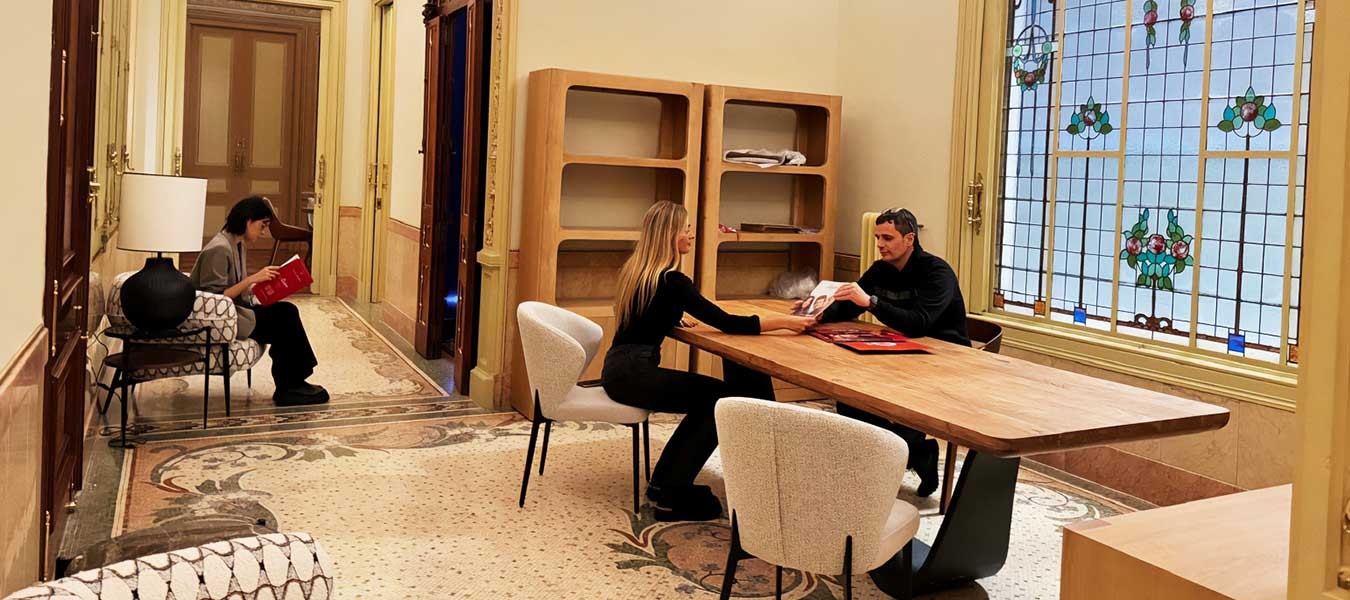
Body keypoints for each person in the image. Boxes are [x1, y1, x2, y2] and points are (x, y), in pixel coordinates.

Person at [602, 201, 816, 521]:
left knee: (711, 400)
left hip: (619, 369)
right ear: (670, 235)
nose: (691, 234)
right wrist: (786, 322)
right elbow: (728, 323)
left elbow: (649, 313)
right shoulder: (673, 281)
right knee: (720, 401)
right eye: (685, 229)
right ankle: (672, 496)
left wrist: (673, 317)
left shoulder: (638, 272)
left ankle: (664, 484)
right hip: (636, 373)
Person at [816, 207, 969, 497]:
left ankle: (909, 450)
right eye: (877, 237)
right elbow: (849, 306)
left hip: (944, 357)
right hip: (901, 350)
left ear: (909, 239)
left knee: (879, 399)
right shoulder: (880, 269)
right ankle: (912, 452)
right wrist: (816, 314)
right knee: (849, 395)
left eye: (887, 238)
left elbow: (918, 324)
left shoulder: (937, 272)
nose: (880, 244)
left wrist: (871, 302)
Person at [190, 196, 329, 406]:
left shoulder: (236, 244)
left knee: (287, 310)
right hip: (221, 320)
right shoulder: (219, 249)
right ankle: (289, 386)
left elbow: (235, 288)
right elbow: (213, 300)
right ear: (248, 221)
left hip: (234, 311)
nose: (264, 232)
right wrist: (252, 279)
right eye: (262, 225)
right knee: (284, 318)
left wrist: (264, 287)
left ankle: (292, 382)